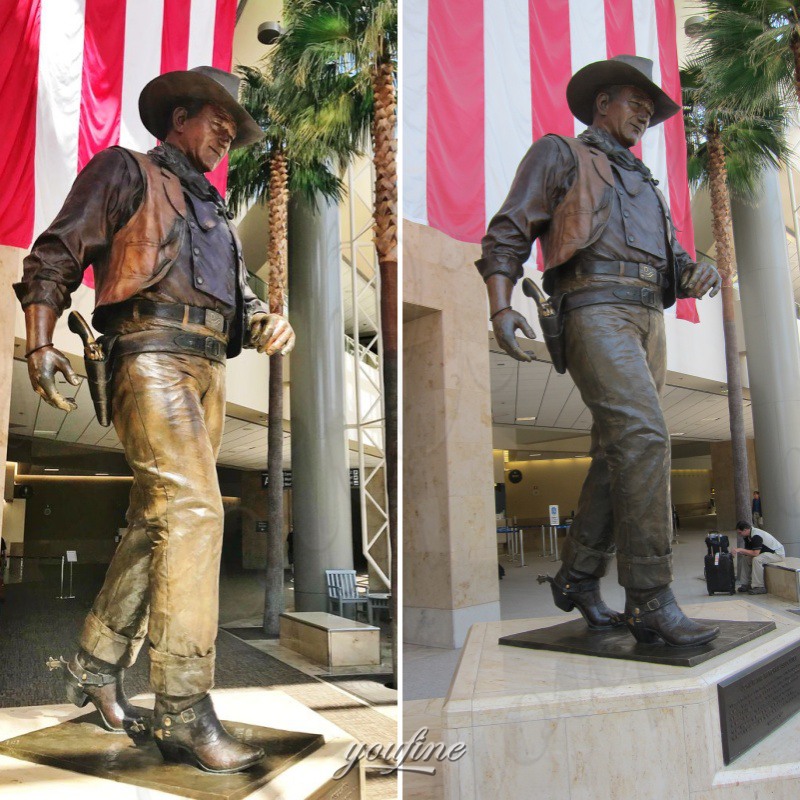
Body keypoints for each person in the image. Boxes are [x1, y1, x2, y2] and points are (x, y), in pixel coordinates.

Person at [14, 66, 294, 773]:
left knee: (156, 522)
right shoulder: (125, 169)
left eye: (233, 132)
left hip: (208, 367)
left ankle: (93, 664)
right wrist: (41, 340)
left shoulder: (216, 213)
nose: (225, 138)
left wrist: (262, 320)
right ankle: (183, 706)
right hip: (147, 355)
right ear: (179, 118)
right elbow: (55, 252)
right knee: (198, 513)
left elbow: (238, 294)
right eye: (217, 123)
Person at [478, 55, 722, 647]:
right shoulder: (560, 153)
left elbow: (669, 257)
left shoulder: (645, 182)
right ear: (600, 103)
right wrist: (501, 305)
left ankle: (578, 577)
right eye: (634, 101)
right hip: (593, 309)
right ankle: (650, 597)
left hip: (646, 318)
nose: (643, 113)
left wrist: (694, 269)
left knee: (621, 452)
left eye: (649, 107)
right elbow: (508, 229)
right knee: (644, 437)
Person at [733, 521, 784, 595]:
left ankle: (759, 587)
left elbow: (755, 553)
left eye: (740, 533)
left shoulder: (756, 535)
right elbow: (749, 552)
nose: (739, 535)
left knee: (757, 560)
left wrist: (740, 550)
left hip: (777, 554)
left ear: (745, 530)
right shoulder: (747, 537)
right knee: (746, 559)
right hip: (765, 553)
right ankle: (746, 584)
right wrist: (740, 551)